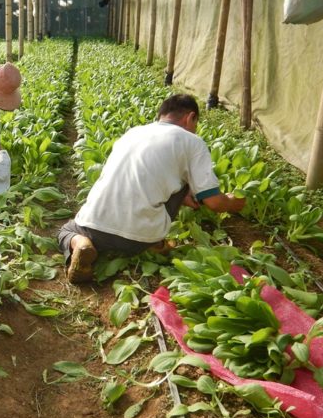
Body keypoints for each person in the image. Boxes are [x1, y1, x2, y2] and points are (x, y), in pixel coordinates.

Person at [59, 93, 246, 284]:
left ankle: (80, 243)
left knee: (66, 231)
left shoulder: (133, 133)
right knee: (188, 179)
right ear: (190, 118)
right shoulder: (192, 142)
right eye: (195, 124)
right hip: (139, 239)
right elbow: (213, 201)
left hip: (94, 226)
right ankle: (154, 243)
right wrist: (233, 202)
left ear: (162, 115)